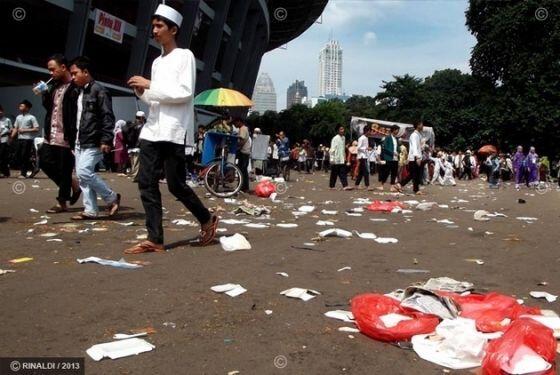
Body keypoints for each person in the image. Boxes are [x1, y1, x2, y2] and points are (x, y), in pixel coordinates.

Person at [125, 4, 218, 253]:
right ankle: (155, 238)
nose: (154, 31)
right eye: (153, 26)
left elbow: (184, 93)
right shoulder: (156, 62)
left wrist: (150, 85)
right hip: (152, 129)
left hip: (174, 130)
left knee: (176, 184)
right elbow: (155, 100)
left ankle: (207, 219)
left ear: (173, 29)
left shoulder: (184, 56)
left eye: (159, 26)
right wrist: (142, 92)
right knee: (146, 181)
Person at [69, 56, 121, 220]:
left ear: (85, 72)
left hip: (94, 140)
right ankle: (90, 210)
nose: (73, 77)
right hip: (80, 140)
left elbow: (107, 116)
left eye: (75, 73)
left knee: (84, 172)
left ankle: (112, 198)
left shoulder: (100, 90)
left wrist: (106, 139)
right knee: (83, 177)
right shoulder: (78, 91)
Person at [39, 54, 82, 213]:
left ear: (63, 67)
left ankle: (62, 201)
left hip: (67, 135)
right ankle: (73, 185)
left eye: (53, 69)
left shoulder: (75, 86)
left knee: (65, 168)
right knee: (44, 162)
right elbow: (49, 108)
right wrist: (44, 92)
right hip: (51, 132)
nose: (51, 73)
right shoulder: (54, 86)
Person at [12, 100, 39, 178]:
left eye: (22, 106)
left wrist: (25, 130)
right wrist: (11, 137)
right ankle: (25, 170)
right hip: (19, 139)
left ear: (27, 108)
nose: (20, 107)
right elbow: (15, 128)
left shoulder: (32, 117)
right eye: (20, 106)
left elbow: (36, 129)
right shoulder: (18, 117)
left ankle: (23, 174)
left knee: (25, 156)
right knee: (18, 155)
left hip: (28, 139)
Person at [399, 121, 424, 194]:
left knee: (414, 174)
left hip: (416, 157)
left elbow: (418, 147)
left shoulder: (418, 135)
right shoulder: (414, 135)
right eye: (422, 125)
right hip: (414, 158)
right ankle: (414, 189)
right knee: (414, 174)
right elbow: (414, 147)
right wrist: (417, 157)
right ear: (418, 125)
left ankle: (414, 189)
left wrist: (423, 146)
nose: (423, 126)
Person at [122, 111, 145, 182]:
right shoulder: (142, 126)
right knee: (136, 162)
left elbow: (124, 133)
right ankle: (135, 177)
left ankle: (134, 175)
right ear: (142, 118)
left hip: (130, 147)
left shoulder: (131, 125)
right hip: (137, 147)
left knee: (133, 162)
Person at [378, 125, 401, 192]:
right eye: (397, 130)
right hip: (389, 158)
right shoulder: (388, 137)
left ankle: (392, 186)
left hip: (395, 158)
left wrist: (398, 151)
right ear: (393, 130)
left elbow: (398, 147)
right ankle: (381, 185)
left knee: (394, 172)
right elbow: (385, 147)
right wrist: (392, 153)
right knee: (386, 172)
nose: (397, 131)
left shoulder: (396, 138)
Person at [329, 125, 352, 190]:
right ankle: (332, 186)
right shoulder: (335, 138)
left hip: (341, 158)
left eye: (343, 129)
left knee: (343, 172)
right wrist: (332, 158)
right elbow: (332, 148)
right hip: (336, 158)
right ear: (338, 131)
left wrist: (345, 157)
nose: (342, 130)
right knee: (334, 173)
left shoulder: (343, 138)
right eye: (341, 129)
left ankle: (345, 185)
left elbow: (342, 148)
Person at [233, 117, 251, 192]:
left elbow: (242, 141)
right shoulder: (244, 128)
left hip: (243, 152)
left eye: (235, 123)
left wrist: (236, 148)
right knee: (243, 170)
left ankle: (243, 187)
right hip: (245, 152)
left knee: (242, 170)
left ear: (239, 122)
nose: (235, 124)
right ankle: (244, 187)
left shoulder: (242, 129)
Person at [354, 124, 372, 190]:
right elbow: (358, 148)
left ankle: (356, 185)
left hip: (365, 156)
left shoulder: (366, 138)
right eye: (370, 131)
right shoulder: (361, 138)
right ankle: (367, 186)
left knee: (361, 172)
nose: (370, 133)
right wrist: (366, 148)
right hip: (362, 157)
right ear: (366, 131)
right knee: (366, 171)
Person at [0, 105, 13, 177]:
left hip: (4, 140)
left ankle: (5, 172)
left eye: (1, 111)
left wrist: (10, 138)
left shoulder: (7, 120)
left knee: (3, 156)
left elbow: (11, 129)